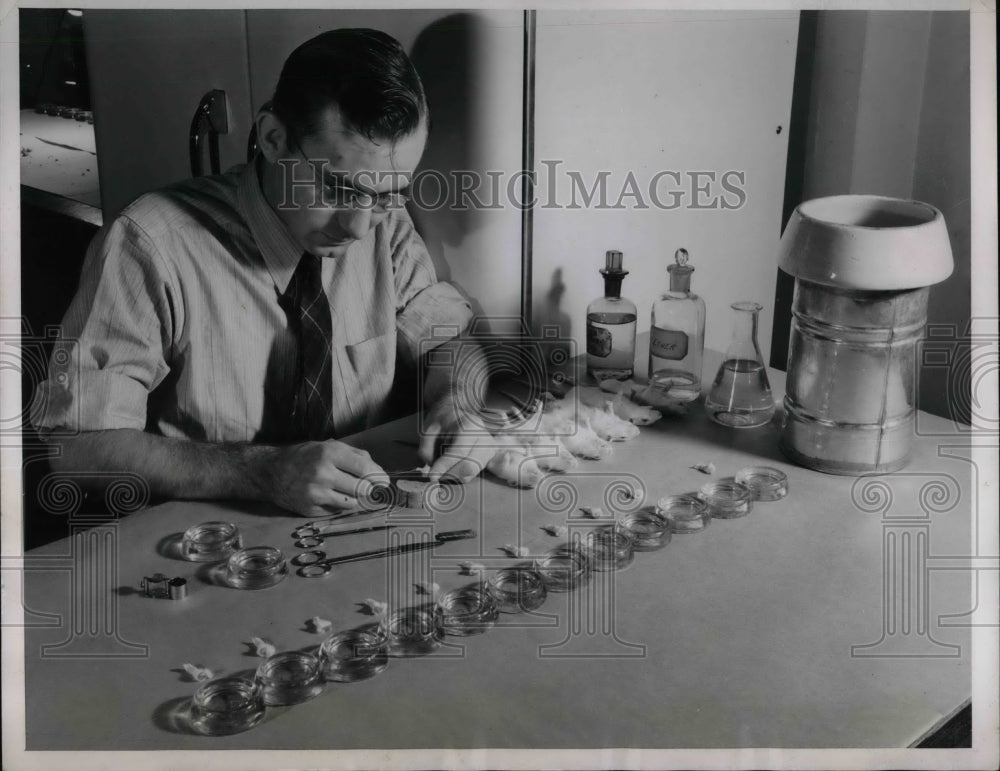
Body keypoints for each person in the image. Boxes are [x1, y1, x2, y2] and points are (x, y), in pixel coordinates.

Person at [31, 28, 494, 517]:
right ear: (274, 138)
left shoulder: (387, 226)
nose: (360, 225)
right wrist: (263, 471)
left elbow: (450, 341)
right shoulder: (148, 243)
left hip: (353, 527)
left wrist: (458, 402)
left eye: (386, 193)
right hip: (207, 541)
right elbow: (76, 450)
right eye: (337, 188)